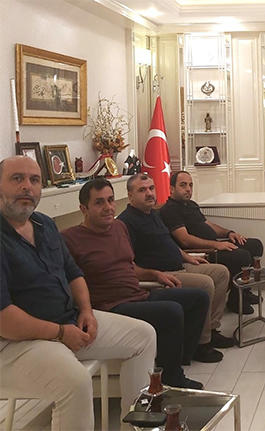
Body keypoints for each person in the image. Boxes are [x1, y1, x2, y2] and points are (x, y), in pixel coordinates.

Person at [0, 156, 156, 430]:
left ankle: (134, 427)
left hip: (67, 320)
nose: (27, 187)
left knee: (143, 336)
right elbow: (4, 320)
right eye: (17, 178)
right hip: (15, 343)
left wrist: (86, 311)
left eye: (34, 180)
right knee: (75, 382)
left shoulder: (44, 224)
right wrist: (60, 333)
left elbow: (73, 273)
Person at [62, 179, 209, 390]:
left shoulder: (119, 227)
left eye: (111, 200)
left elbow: (129, 265)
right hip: (110, 307)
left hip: (138, 294)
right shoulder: (70, 238)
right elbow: (70, 280)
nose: (108, 207)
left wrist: (155, 274)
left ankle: (176, 361)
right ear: (84, 209)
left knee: (198, 297)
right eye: (99, 202)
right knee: (171, 311)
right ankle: (172, 378)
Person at [118, 173, 233, 362]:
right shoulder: (125, 222)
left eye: (151, 188)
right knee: (205, 283)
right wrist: (155, 274)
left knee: (220, 272)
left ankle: (211, 329)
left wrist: (188, 257)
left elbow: (168, 242)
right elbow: (129, 264)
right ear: (130, 196)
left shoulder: (152, 214)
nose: (149, 193)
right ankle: (201, 344)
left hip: (180, 264)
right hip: (162, 274)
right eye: (142, 190)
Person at [161, 171, 264, 315]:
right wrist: (216, 245)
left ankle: (244, 291)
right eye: (183, 185)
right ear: (172, 189)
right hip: (200, 253)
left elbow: (207, 224)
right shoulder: (170, 210)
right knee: (241, 256)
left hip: (213, 245)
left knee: (255, 245)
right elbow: (184, 239)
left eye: (190, 185)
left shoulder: (191, 205)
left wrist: (229, 233)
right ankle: (235, 300)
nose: (188, 189)